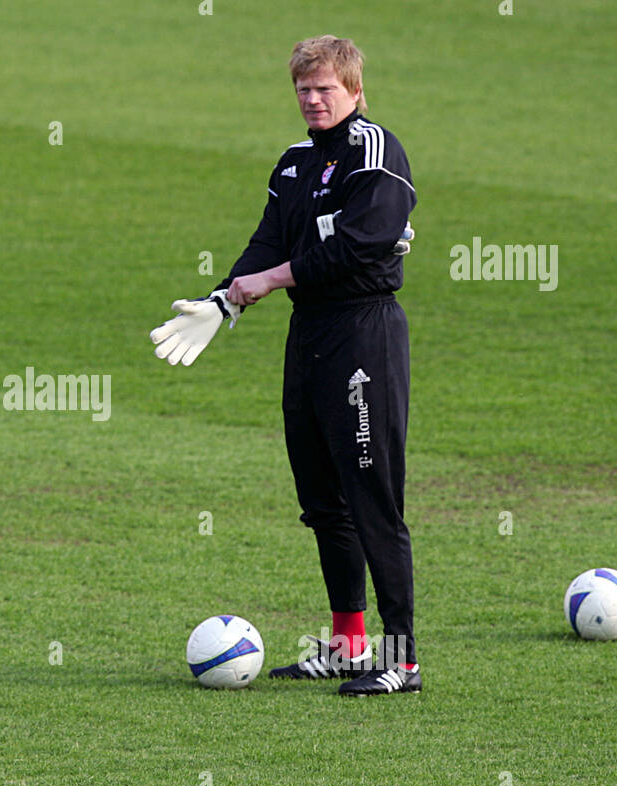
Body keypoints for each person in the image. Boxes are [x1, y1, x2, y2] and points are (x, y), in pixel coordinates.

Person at [149, 35, 421, 695]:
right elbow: (269, 238)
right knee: (323, 499)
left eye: (325, 88)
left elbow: (362, 245)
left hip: (364, 333)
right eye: (303, 88)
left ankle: (402, 659)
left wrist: (270, 280)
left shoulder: (375, 152)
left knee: (372, 498)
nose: (313, 99)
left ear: (355, 90)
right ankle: (349, 643)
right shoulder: (294, 163)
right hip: (310, 337)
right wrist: (224, 299)